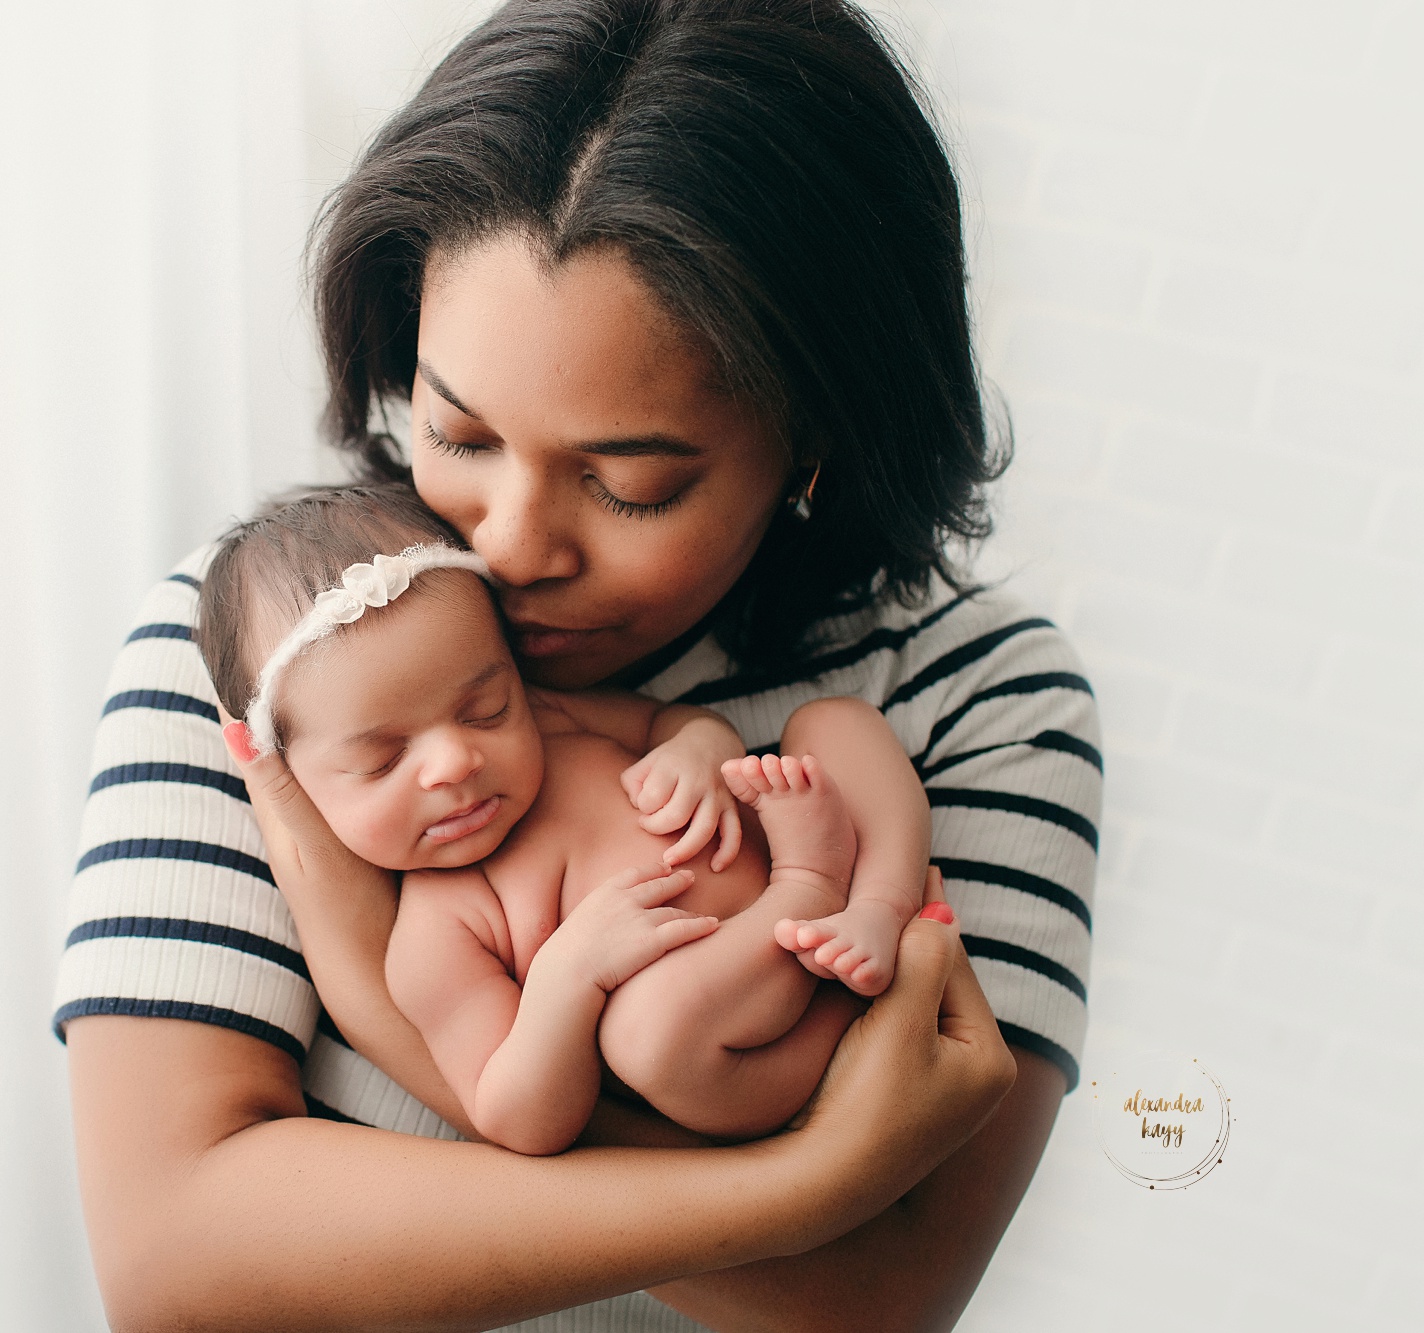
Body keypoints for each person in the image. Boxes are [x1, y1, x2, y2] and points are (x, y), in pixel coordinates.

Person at [58, 2, 1099, 1328]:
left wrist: (378, 998)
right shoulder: (280, 655)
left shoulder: (979, 698)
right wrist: (806, 1185)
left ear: (814, 440)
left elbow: (873, 1307)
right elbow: (178, 1263)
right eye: (459, 433)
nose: (508, 548)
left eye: (629, 484)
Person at [191, 483, 935, 1154]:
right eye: (383, 759)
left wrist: (698, 751)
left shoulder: (551, 717)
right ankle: (810, 887)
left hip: (831, 922)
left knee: (835, 723)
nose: (454, 760)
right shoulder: (432, 942)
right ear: (289, 776)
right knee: (647, 1034)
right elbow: (514, 1115)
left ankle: (876, 902)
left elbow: (674, 721)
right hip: (753, 1036)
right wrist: (567, 975)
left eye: (486, 708)